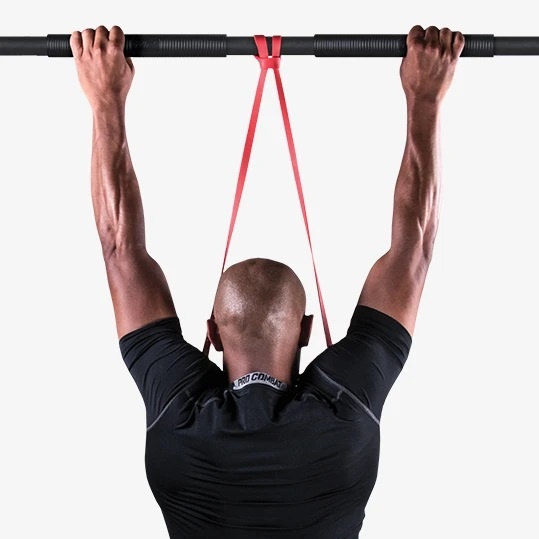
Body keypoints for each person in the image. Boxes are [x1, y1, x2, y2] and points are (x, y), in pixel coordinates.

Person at [70, 24, 464, 538]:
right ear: (305, 331)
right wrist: (424, 97)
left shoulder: (180, 409)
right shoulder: (343, 407)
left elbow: (119, 247)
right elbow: (415, 246)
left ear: (212, 333)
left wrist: (105, 100)